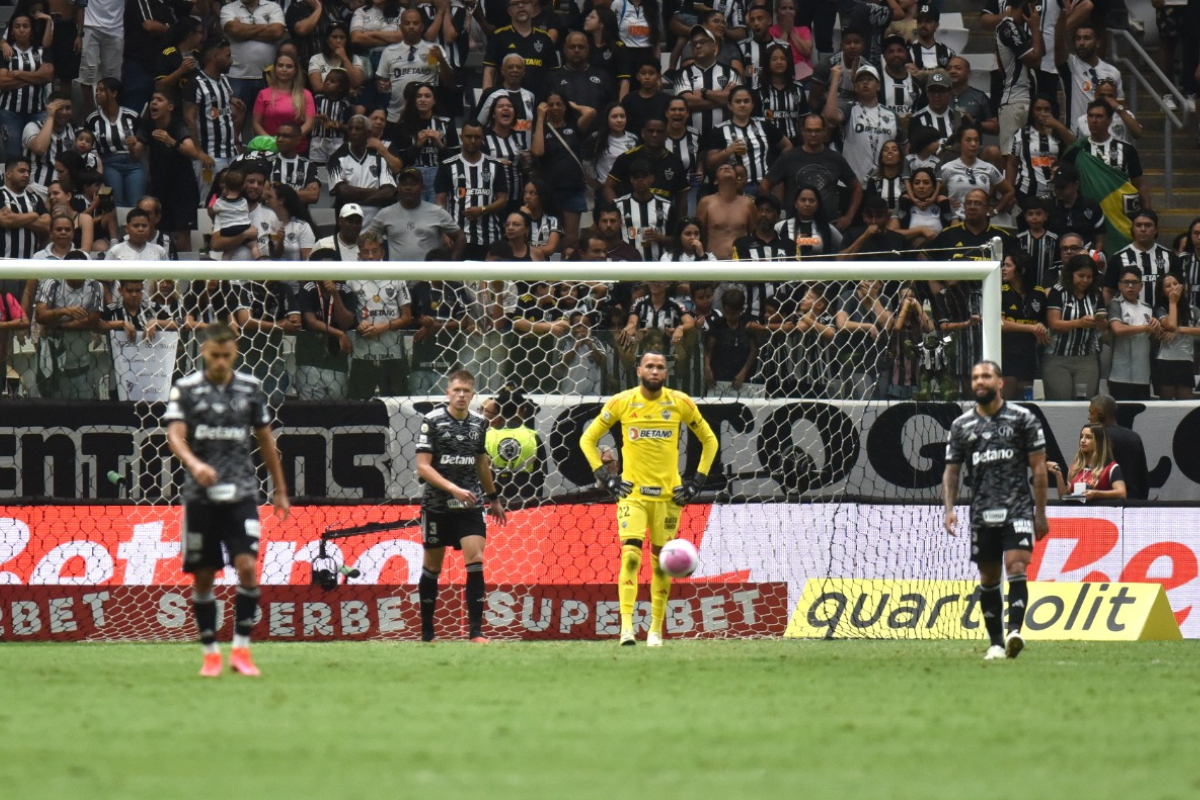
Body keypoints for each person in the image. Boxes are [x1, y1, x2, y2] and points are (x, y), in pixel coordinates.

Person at [164, 322, 289, 677]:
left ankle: (242, 651)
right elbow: (175, 435)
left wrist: (279, 488)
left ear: (234, 353)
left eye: (227, 355)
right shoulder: (186, 390)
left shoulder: (250, 388)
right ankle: (210, 653)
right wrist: (194, 464)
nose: (220, 361)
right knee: (204, 576)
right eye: (214, 355)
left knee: (247, 567)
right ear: (204, 352)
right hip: (200, 496)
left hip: (242, 492)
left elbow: (266, 440)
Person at [580, 349, 718, 646]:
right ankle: (626, 628)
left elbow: (709, 440)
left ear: (666, 372)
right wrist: (606, 478)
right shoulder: (622, 402)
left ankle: (655, 630)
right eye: (649, 366)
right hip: (633, 495)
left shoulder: (679, 403)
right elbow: (587, 439)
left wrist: (697, 481)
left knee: (660, 564)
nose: (655, 371)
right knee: (630, 558)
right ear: (639, 370)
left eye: (660, 367)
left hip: (669, 497)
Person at [943, 360, 1048, 660]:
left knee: (1016, 565)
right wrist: (949, 509)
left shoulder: (1022, 419)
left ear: (1000, 382)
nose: (980, 381)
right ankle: (996, 644)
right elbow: (951, 471)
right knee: (989, 578)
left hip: (1017, 508)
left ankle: (1014, 630)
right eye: (975, 377)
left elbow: (1039, 469)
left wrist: (1040, 512)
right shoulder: (961, 426)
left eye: (986, 376)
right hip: (981, 513)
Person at [415, 369, 507, 643]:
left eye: (466, 391)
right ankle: (427, 633)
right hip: (437, 506)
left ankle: (476, 632)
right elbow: (422, 466)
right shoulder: (431, 421)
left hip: (469, 505)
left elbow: (481, 462)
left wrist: (493, 497)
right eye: (456, 390)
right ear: (447, 392)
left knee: (476, 560)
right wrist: (454, 488)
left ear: (472, 394)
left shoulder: (479, 423)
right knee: (432, 567)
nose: (461, 395)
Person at [367, 167, 465, 261]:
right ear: (398, 188)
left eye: (413, 184)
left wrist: (451, 264)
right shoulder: (385, 214)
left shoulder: (437, 212)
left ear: (422, 188)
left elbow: (460, 237)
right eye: (404, 184)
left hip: (429, 275)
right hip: (398, 276)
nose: (408, 188)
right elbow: (366, 240)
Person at [1044, 254, 1107, 400]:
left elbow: (1104, 325)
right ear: (1071, 274)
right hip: (1058, 357)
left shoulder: (1096, 293)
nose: (1085, 280)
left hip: (1087, 358)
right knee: (1061, 405)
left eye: (1089, 277)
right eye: (1081, 276)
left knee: (1083, 405)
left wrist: (1101, 323)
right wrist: (1079, 323)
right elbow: (1054, 323)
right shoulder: (1058, 291)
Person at [484, 385, 546, 504]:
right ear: (522, 409)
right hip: (525, 498)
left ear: (498, 408)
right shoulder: (532, 436)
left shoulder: (486, 436)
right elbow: (541, 473)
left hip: (494, 499)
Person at [1000, 250, 1048, 399]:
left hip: (1028, 354)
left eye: (1008, 265)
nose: (1003, 269)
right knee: (1007, 396)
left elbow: (1044, 320)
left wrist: (1041, 326)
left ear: (1021, 269)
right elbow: (1000, 324)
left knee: (1025, 398)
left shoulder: (1039, 292)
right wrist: (1031, 328)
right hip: (1006, 352)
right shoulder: (1000, 291)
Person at [1106, 265, 1159, 400]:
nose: (1130, 286)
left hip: (1143, 373)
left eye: (1134, 282)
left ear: (1141, 286)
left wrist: (1156, 328)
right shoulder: (1115, 304)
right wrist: (1144, 328)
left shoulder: (1147, 308)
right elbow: (1118, 329)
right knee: (1120, 416)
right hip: (1119, 373)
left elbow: (1153, 336)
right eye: (1126, 282)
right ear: (1119, 285)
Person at [1087, 393, 1149, 500]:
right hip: (1133, 502)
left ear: (1101, 415)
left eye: (1091, 413)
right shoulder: (1134, 437)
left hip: (1104, 503)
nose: (1089, 417)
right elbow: (1143, 478)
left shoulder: (1095, 438)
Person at [1047, 423, 1127, 502]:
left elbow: (1121, 493)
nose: (1082, 440)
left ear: (1099, 442)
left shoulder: (1111, 468)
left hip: (1099, 513)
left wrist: (1096, 494)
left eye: (1088, 437)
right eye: (1081, 437)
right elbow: (1064, 498)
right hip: (1078, 514)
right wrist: (1058, 475)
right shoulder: (1076, 467)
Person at [1153, 272, 1200, 400]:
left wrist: (1179, 330)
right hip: (1165, 361)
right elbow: (1171, 325)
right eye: (1168, 286)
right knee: (1166, 406)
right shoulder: (1159, 309)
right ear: (1162, 291)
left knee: (1185, 404)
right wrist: (1172, 302)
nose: (1173, 288)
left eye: (1175, 284)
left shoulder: (1193, 310)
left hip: (1186, 360)